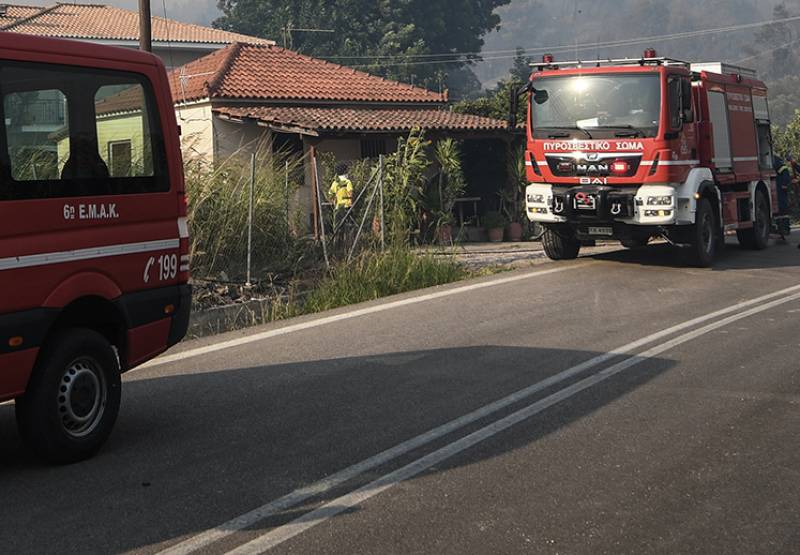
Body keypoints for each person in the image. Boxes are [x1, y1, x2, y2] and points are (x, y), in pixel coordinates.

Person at [328, 163, 354, 231]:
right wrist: (351, 202)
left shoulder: (335, 183)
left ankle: (337, 241)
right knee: (348, 227)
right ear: (344, 171)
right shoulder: (348, 182)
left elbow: (330, 193)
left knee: (337, 227)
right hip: (346, 207)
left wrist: (333, 201)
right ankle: (348, 241)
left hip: (338, 207)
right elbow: (350, 192)